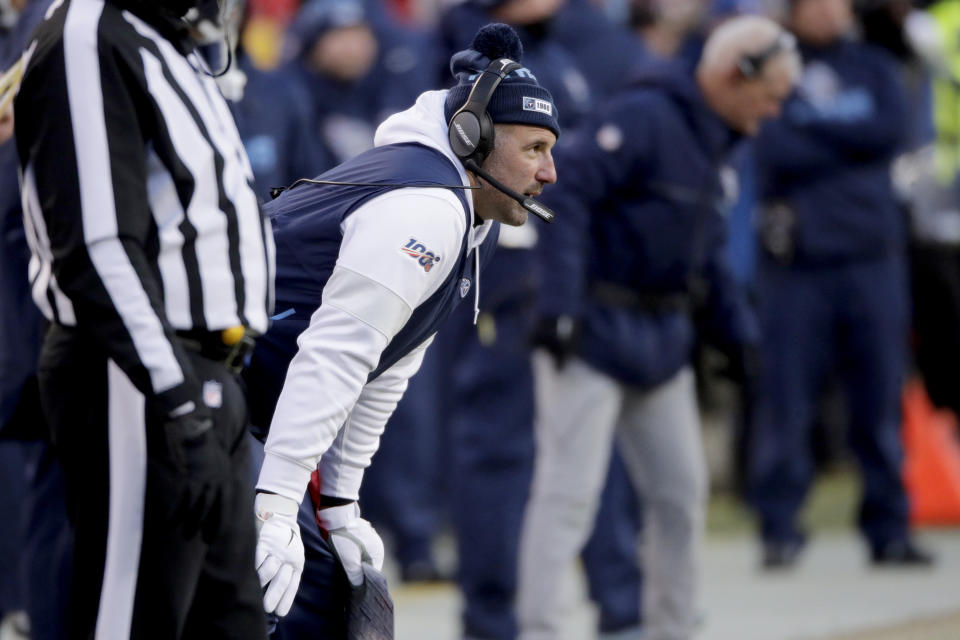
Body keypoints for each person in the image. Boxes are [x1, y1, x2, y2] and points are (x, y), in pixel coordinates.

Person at [242, 23, 559, 637]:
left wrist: (338, 502)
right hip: (204, 385)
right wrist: (278, 503)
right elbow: (335, 356)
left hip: (247, 396)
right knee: (286, 600)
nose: (550, 172)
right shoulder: (426, 207)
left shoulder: (472, 216)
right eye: (534, 149)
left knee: (325, 593)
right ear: (472, 136)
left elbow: (390, 361)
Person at [517, 14, 798, 640]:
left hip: (662, 340)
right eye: (771, 94)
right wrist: (558, 308)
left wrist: (738, 335)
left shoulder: (718, 137)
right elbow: (564, 194)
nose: (774, 111)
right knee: (569, 497)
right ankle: (540, 630)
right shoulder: (646, 117)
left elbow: (709, 247)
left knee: (679, 495)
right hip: (592, 332)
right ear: (734, 74)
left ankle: (672, 629)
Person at [14, 0, 274, 636]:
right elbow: (98, 248)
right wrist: (179, 402)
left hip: (204, 372)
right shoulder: (89, 30)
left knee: (233, 621)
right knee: (131, 620)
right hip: (138, 377)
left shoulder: (165, 40)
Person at [748, 0, 933, 568]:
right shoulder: (771, 66)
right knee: (787, 404)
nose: (828, 11)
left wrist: (815, 133)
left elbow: (889, 131)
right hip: (797, 262)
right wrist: (848, 140)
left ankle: (889, 528)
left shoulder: (874, 65)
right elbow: (773, 147)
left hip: (872, 257)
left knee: (879, 400)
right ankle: (780, 529)